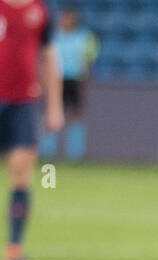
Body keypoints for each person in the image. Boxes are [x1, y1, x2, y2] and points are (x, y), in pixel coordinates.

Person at [0, 0, 61, 260]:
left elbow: (48, 55)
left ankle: (14, 249)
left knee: (21, 171)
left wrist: (54, 105)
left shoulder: (42, 10)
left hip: (24, 102)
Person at [44, 4, 96, 161]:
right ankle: (47, 152)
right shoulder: (53, 36)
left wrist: (87, 80)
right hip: (57, 79)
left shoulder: (84, 37)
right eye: (63, 16)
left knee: (75, 114)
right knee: (52, 112)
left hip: (75, 78)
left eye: (68, 16)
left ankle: (75, 154)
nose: (65, 20)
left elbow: (88, 61)